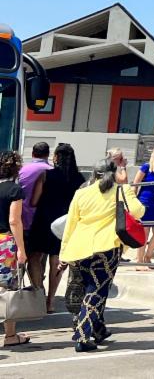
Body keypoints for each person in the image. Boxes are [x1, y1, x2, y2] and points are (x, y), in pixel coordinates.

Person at [61, 157, 145, 352]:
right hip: (107, 248)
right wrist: (126, 186)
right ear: (115, 173)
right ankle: (83, 336)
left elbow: (70, 224)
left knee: (92, 288)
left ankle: (98, 330)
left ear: (94, 173)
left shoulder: (81, 193)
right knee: (96, 291)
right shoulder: (121, 190)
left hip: (80, 248)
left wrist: (64, 253)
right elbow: (139, 211)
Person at [30, 143, 86, 312]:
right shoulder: (80, 179)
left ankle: (39, 293)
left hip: (44, 220)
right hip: (65, 223)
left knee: (35, 257)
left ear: (55, 157)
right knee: (57, 261)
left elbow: (34, 201)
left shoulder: (46, 175)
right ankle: (51, 301)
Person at [0, 151, 30, 347]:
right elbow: (14, 221)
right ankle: (10, 335)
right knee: (7, 289)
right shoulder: (14, 190)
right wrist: (21, 249)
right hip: (5, 243)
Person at [18, 141, 52, 291]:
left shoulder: (22, 170)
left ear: (32, 153)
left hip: (22, 220)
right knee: (38, 260)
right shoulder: (52, 171)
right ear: (48, 154)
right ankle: (38, 291)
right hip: (43, 223)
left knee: (19, 258)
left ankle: (16, 290)